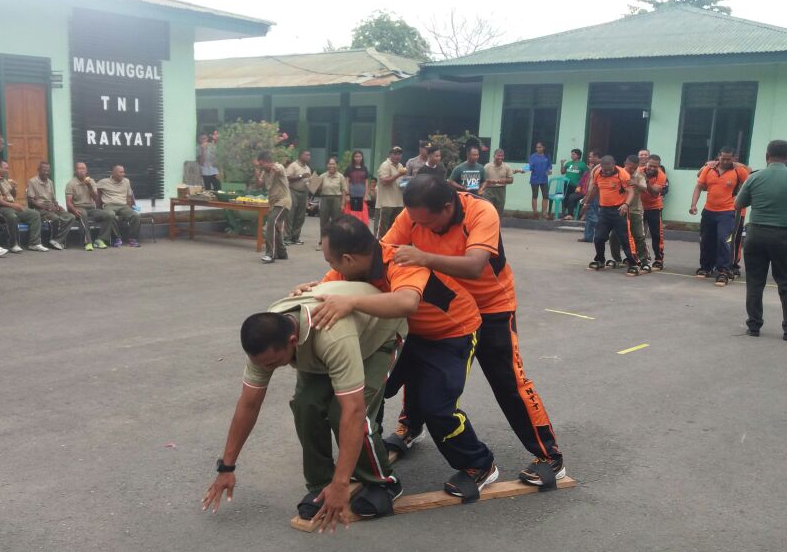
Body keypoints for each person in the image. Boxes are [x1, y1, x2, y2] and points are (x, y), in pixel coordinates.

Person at [382, 175, 566, 485]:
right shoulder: (413, 214)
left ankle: (549, 456)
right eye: (416, 223)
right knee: (419, 366)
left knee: (509, 381)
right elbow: (385, 249)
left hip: (490, 306)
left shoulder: (481, 212)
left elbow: (474, 265)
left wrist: (423, 257)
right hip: (445, 305)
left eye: (429, 223)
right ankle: (410, 427)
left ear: (447, 205)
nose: (421, 229)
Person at [300, 215, 499, 500]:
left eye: (332, 261)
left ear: (348, 257)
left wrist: (352, 301)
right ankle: (372, 456)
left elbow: (407, 302)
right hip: (406, 335)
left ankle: (479, 464)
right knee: (371, 390)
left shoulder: (400, 260)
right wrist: (306, 293)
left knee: (437, 408)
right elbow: (329, 290)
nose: (330, 268)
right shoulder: (349, 269)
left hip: (451, 333)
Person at [201, 280, 406, 530]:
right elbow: (248, 404)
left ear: (292, 339)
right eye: (263, 364)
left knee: (343, 410)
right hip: (323, 348)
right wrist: (227, 466)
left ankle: (383, 483)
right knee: (305, 406)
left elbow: (353, 411)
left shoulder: (332, 336)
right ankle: (321, 485)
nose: (268, 369)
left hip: (376, 339)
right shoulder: (267, 337)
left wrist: (342, 484)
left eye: (274, 363)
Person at [735, 139, 787, 339]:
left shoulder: (754, 177)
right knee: (784, 283)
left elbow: (739, 204)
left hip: (756, 234)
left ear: (767, 156)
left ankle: (754, 326)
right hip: (783, 235)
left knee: (755, 282)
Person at [691, 147, 748, 286]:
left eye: (729, 159)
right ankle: (706, 267)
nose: (725, 161)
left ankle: (723, 270)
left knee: (724, 240)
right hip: (709, 211)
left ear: (734, 158)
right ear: (718, 156)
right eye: (723, 158)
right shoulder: (709, 169)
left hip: (728, 212)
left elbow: (749, 185)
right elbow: (699, 186)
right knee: (706, 239)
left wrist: (741, 202)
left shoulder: (738, 170)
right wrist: (693, 204)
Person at [585, 155, 640, 275]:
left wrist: (626, 204)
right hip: (604, 210)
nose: (607, 172)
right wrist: (587, 202)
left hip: (619, 210)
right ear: (602, 167)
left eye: (610, 169)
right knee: (599, 237)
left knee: (625, 238)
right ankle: (600, 260)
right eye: (605, 170)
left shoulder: (622, 174)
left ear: (614, 164)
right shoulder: (598, 173)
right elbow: (595, 188)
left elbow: (631, 191)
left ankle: (633, 263)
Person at [0, 162, 47, 252]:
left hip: (11, 205)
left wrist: (14, 189)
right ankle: (13, 244)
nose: (7, 170)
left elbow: (11, 196)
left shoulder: (4, 180)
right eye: (5, 168)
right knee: (12, 217)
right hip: (0, 207)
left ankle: (34, 243)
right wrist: (13, 205)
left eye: (7, 168)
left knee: (34, 214)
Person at [65, 162, 116, 251]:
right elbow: (68, 202)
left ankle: (100, 239)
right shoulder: (71, 183)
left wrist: (89, 185)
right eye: (79, 169)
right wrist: (74, 210)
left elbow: (95, 198)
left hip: (91, 208)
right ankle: (88, 242)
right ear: (75, 171)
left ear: (86, 170)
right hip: (78, 207)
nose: (82, 171)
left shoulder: (91, 181)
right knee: (83, 214)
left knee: (108, 215)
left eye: (83, 169)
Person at [26, 161, 74, 250]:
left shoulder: (50, 182)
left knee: (70, 216)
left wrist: (57, 205)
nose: (46, 172)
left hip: (51, 207)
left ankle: (57, 240)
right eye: (44, 170)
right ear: (39, 170)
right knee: (55, 218)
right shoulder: (32, 181)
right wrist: (45, 207)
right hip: (39, 208)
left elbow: (53, 199)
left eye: (48, 170)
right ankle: (53, 240)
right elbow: (31, 200)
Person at [254, 150, 290, 264]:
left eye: (261, 164)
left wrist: (274, 167)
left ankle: (270, 254)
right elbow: (259, 185)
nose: (261, 166)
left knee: (272, 222)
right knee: (276, 227)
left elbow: (279, 171)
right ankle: (282, 253)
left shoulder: (278, 167)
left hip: (283, 201)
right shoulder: (265, 171)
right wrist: (256, 175)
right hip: (273, 203)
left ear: (267, 162)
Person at [96, 165, 142, 247]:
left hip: (123, 206)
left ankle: (132, 239)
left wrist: (130, 207)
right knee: (110, 215)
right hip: (109, 205)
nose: (123, 174)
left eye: (123, 172)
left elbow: (129, 196)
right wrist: (97, 204)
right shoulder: (103, 182)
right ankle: (116, 238)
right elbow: (94, 189)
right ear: (113, 173)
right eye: (121, 172)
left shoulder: (126, 181)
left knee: (135, 215)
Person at [309, 156, 345, 250]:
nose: (331, 166)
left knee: (336, 223)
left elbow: (344, 191)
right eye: (330, 164)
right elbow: (313, 188)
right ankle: (322, 242)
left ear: (337, 165)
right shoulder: (323, 176)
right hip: (325, 199)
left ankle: (335, 243)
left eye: (333, 164)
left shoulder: (340, 176)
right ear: (327, 165)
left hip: (336, 199)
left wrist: (342, 204)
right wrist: (313, 181)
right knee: (324, 222)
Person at [622, 155, 650, 270]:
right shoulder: (619, 174)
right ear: (625, 164)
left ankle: (644, 260)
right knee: (614, 236)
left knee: (639, 236)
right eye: (630, 167)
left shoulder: (639, 175)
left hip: (635, 210)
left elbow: (644, 188)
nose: (632, 170)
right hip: (621, 209)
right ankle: (618, 258)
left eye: (635, 168)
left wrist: (634, 182)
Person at [640, 154, 668, 270]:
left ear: (659, 166)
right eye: (650, 166)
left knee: (657, 235)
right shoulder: (639, 171)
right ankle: (643, 257)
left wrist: (646, 182)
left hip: (654, 208)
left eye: (655, 167)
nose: (652, 168)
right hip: (639, 207)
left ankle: (658, 259)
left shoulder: (661, 175)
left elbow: (654, 193)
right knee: (638, 235)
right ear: (646, 163)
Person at [285, 150, 314, 245]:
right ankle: (287, 237)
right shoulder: (293, 165)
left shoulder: (308, 168)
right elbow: (287, 177)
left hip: (304, 193)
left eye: (309, 155)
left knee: (300, 216)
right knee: (290, 215)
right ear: (301, 155)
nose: (309, 156)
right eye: (307, 155)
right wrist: (301, 175)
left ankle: (295, 237)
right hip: (293, 191)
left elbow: (308, 182)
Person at [375, 146, 406, 238]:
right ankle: (379, 249)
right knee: (382, 231)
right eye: (395, 154)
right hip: (386, 203)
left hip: (398, 203)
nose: (397, 156)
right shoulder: (385, 165)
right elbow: (384, 181)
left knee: (393, 229)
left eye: (399, 154)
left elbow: (400, 182)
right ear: (390, 155)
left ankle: (389, 249)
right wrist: (398, 174)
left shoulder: (400, 166)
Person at [482, 148, 522, 215]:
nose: (500, 157)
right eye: (498, 155)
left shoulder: (507, 167)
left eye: (502, 156)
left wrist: (502, 181)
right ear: (494, 156)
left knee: (499, 211)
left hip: (501, 190)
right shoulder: (487, 166)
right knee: (488, 210)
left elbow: (511, 180)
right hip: (489, 190)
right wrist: (489, 181)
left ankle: (497, 225)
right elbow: (482, 179)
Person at [343, 150, 371, 226]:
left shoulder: (364, 168)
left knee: (361, 218)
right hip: (352, 197)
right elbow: (346, 182)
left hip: (361, 197)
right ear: (353, 158)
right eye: (356, 156)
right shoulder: (349, 168)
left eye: (359, 156)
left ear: (362, 158)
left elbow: (366, 182)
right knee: (351, 218)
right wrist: (347, 194)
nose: (358, 158)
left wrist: (366, 195)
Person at [581, 150, 602, 242]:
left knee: (591, 214)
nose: (589, 158)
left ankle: (604, 227)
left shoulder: (600, 168)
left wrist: (589, 196)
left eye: (590, 156)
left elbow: (595, 184)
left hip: (594, 194)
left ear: (596, 157)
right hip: (590, 193)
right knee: (590, 215)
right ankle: (588, 237)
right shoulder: (594, 167)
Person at [561, 149, 588, 220]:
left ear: (578, 155)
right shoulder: (568, 163)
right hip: (567, 185)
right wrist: (562, 164)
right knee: (566, 199)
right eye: (571, 154)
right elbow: (562, 172)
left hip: (576, 186)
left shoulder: (582, 164)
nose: (572, 155)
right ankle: (565, 214)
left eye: (573, 154)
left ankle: (576, 214)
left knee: (573, 199)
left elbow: (586, 175)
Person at [528, 141, 552, 218]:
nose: (538, 149)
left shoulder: (547, 156)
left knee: (545, 196)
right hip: (534, 179)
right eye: (537, 147)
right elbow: (530, 167)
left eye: (539, 147)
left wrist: (549, 171)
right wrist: (522, 170)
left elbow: (550, 166)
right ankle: (535, 212)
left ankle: (544, 213)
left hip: (544, 179)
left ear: (543, 148)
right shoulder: (533, 156)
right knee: (535, 196)